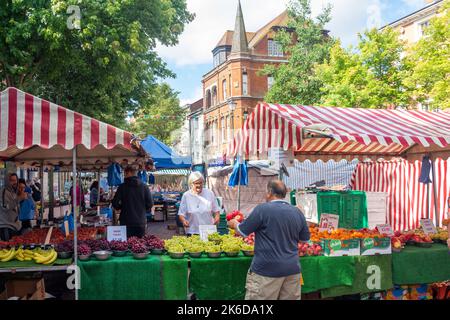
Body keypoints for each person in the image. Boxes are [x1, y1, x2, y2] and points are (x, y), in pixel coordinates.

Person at [228, 180, 310, 300]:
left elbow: (242, 231)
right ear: (285, 193)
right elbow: (305, 240)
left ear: (269, 192)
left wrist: (234, 223)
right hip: (292, 270)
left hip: (266, 271)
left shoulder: (262, 209)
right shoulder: (297, 212)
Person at [112, 166, 153, 238]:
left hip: (126, 221)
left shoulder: (122, 187)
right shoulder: (144, 186)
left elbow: (115, 203)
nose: (124, 176)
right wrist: (142, 209)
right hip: (140, 221)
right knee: (140, 245)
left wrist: (122, 207)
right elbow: (150, 204)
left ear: (129, 173)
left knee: (126, 245)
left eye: (125, 173)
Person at [178, 172, 220, 236]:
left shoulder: (209, 193)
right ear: (191, 184)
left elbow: (216, 209)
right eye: (196, 183)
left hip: (208, 230)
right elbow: (181, 213)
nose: (199, 185)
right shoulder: (186, 195)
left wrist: (217, 217)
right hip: (192, 231)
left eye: (201, 183)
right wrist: (184, 221)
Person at [0, 173, 22, 241]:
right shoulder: (4, 191)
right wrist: (19, 198)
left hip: (14, 226)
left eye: (16, 180)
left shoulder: (13, 192)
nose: (15, 182)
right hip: (6, 226)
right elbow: (5, 207)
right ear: (7, 181)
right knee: (8, 248)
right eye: (12, 180)